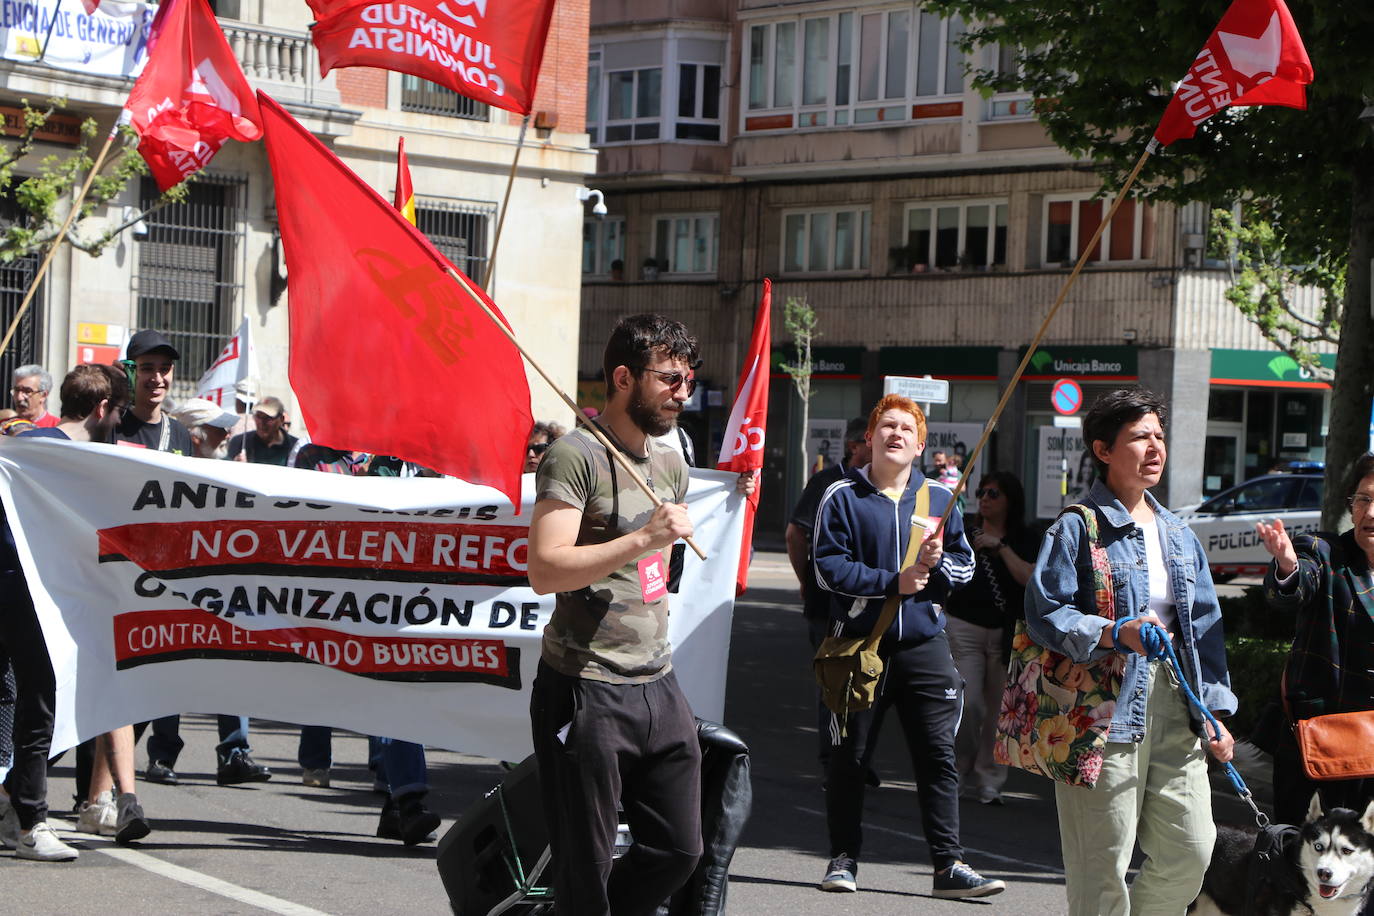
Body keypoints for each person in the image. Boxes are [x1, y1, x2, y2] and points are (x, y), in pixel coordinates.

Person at [1026, 388, 1236, 916]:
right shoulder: (1077, 526)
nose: (1155, 448)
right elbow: (1045, 613)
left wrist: (1214, 710)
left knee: (1192, 851)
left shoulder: (1179, 534)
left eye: (1160, 437)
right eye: (1140, 437)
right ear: (1103, 449)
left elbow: (1204, 632)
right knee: (1102, 868)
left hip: (1176, 709)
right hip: (1102, 708)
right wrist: (1114, 632)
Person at [527, 314, 704, 913]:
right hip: (585, 684)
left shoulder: (670, 464)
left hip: (657, 682)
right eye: (671, 379)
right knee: (587, 867)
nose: (683, 393)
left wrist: (655, 552)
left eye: (688, 380)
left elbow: (654, 577)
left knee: (680, 850)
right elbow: (545, 568)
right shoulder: (573, 455)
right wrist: (642, 540)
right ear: (624, 377)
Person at [812, 394, 1001, 899]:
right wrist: (893, 581)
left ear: (920, 445)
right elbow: (827, 570)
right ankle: (843, 858)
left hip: (923, 646)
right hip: (858, 647)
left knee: (938, 757)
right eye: (886, 426)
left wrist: (937, 565)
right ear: (868, 439)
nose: (895, 434)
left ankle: (949, 866)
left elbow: (963, 569)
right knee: (849, 757)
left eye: (906, 429)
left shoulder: (940, 499)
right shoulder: (841, 496)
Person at [0, 365, 146, 859]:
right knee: (39, 703)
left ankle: (14, 810)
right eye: (118, 412)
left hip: (21, 589)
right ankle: (31, 824)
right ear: (103, 409)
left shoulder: (28, 447)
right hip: (31, 595)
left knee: (24, 702)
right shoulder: (61, 458)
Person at [116, 330, 270, 788]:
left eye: (164, 369)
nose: (157, 378)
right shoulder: (112, 428)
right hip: (118, 577)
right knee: (122, 689)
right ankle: (89, 785)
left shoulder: (178, 434)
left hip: (169, 577)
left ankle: (131, 774)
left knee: (167, 674)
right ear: (131, 372)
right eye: (147, 369)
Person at [1256, 452, 1374, 826]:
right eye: (1364, 500)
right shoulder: (1325, 553)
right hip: (1323, 746)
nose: (1370, 513)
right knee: (1302, 865)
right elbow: (1293, 588)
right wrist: (1288, 566)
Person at [945, 472, 1035, 806]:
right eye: (981, 492)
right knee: (969, 705)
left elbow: (1030, 579)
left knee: (999, 713)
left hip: (1006, 635)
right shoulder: (965, 531)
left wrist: (1000, 548)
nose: (984, 498)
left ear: (1010, 501)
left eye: (993, 493)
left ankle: (990, 779)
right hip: (964, 627)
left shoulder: (1024, 538)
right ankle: (956, 770)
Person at [785, 417, 871, 771]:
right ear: (854, 446)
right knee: (835, 683)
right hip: (828, 604)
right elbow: (794, 534)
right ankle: (834, 761)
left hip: (871, 604)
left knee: (868, 682)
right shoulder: (827, 482)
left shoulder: (880, 484)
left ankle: (857, 758)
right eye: (873, 439)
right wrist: (806, 578)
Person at [226, 396, 297, 465]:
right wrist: (235, 466)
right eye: (258, 417)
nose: (262, 423)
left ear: (281, 419)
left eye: (268, 418)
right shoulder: (240, 443)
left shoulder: (296, 447)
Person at [170, 398, 240, 459]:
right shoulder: (175, 465)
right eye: (219, 432)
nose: (227, 435)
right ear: (195, 438)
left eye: (225, 430)